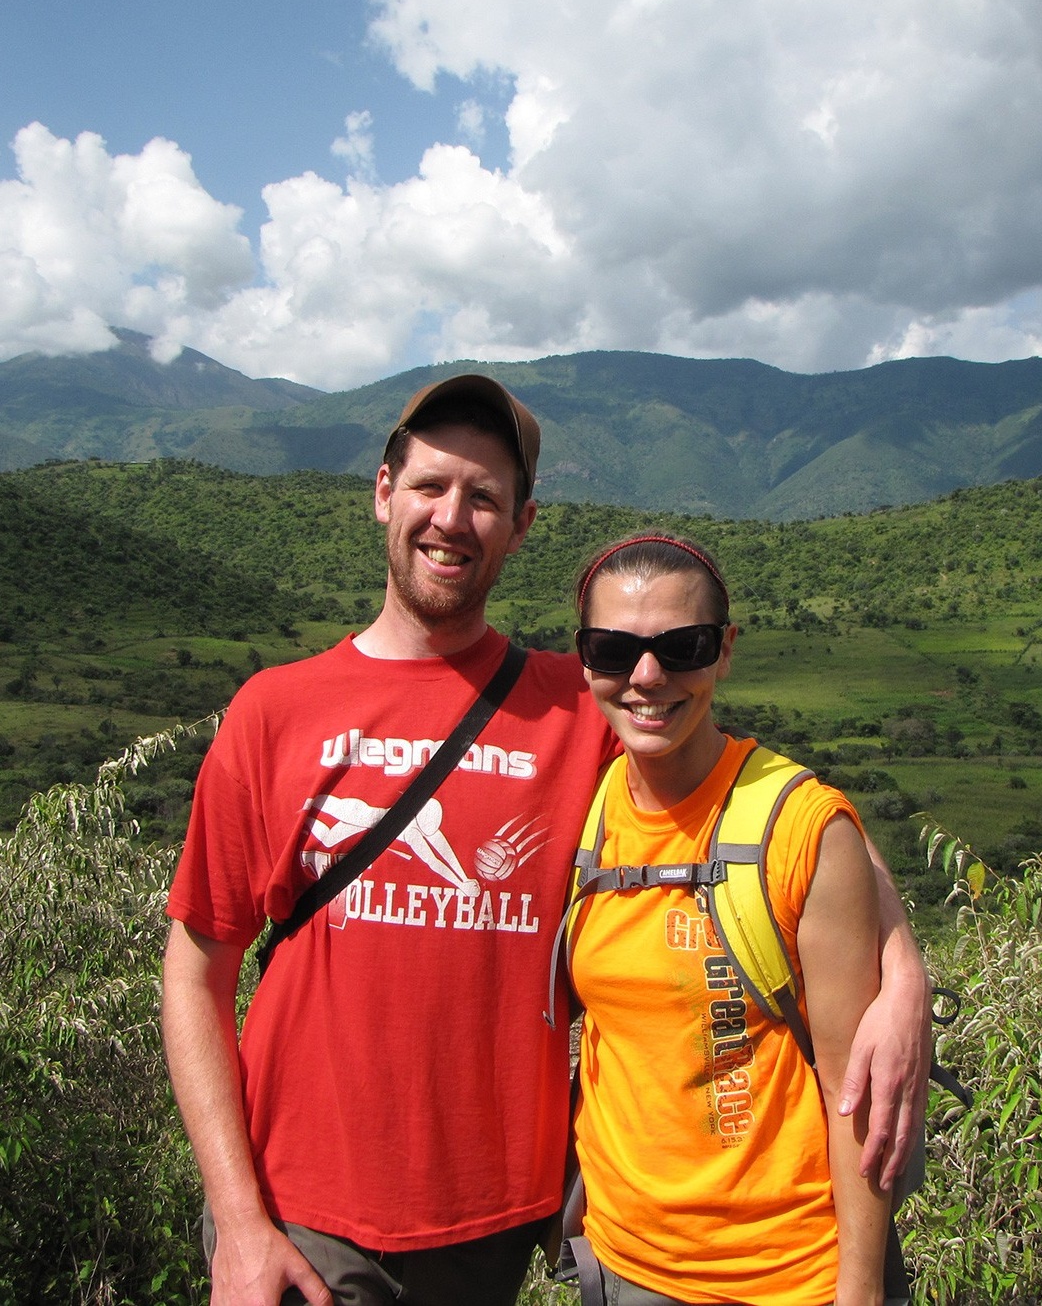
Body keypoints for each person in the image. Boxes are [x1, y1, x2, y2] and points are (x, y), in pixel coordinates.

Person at [161, 374, 929, 1306]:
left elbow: (776, 807)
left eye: (484, 498)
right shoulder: (273, 712)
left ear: (521, 525)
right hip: (301, 1213)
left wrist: (900, 964)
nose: (452, 518)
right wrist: (238, 1220)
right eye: (430, 486)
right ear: (382, 493)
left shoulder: (584, 697)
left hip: (495, 1226)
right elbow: (195, 973)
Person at [564, 531, 901, 1306]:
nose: (646, 677)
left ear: (724, 651)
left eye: (681, 647)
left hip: (786, 1275)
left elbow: (852, 1094)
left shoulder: (799, 828)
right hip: (619, 1262)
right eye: (612, 650)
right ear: (581, 660)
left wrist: (858, 1289)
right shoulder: (578, 803)